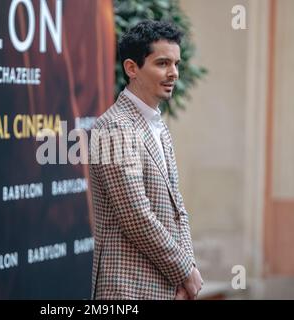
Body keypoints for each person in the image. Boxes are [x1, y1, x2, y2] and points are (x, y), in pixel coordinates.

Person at [89, 20, 203, 300]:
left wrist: (187, 271)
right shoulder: (113, 127)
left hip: (168, 287)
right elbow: (136, 217)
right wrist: (185, 271)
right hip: (128, 289)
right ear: (131, 68)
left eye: (176, 64)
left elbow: (177, 207)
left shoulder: (157, 124)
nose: (173, 73)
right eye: (163, 63)